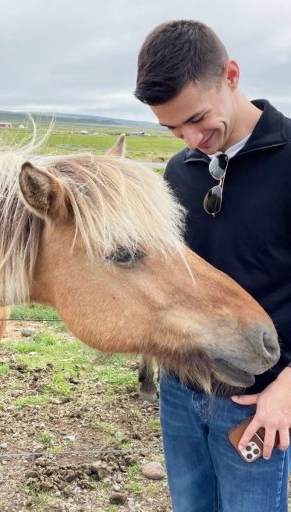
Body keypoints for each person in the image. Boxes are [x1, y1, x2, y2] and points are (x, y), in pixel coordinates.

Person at [134, 20, 291, 512]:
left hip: (259, 400)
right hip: (180, 393)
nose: (190, 138)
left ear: (232, 75)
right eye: (172, 128)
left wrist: (287, 389)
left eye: (197, 118)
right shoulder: (179, 171)